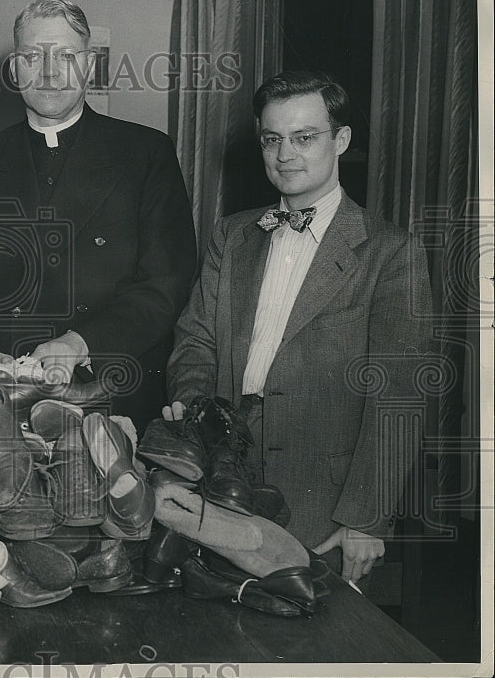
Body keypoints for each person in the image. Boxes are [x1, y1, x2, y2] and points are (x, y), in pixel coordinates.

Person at [165, 70, 432, 582]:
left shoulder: (390, 251)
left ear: (342, 140)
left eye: (304, 137)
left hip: (325, 497)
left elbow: (400, 398)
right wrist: (194, 405)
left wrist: (365, 519)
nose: (285, 154)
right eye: (272, 139)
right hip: (223, 474)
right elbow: (196, 338)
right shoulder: (232, 234)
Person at [0, 0, 197, 432]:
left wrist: (79, 343)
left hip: (110, 395)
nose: (48, 71)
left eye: (66, 56)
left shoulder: (146, 153)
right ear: (13, 71)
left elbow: (166, 285)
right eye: (32, 56)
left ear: (90, 66)